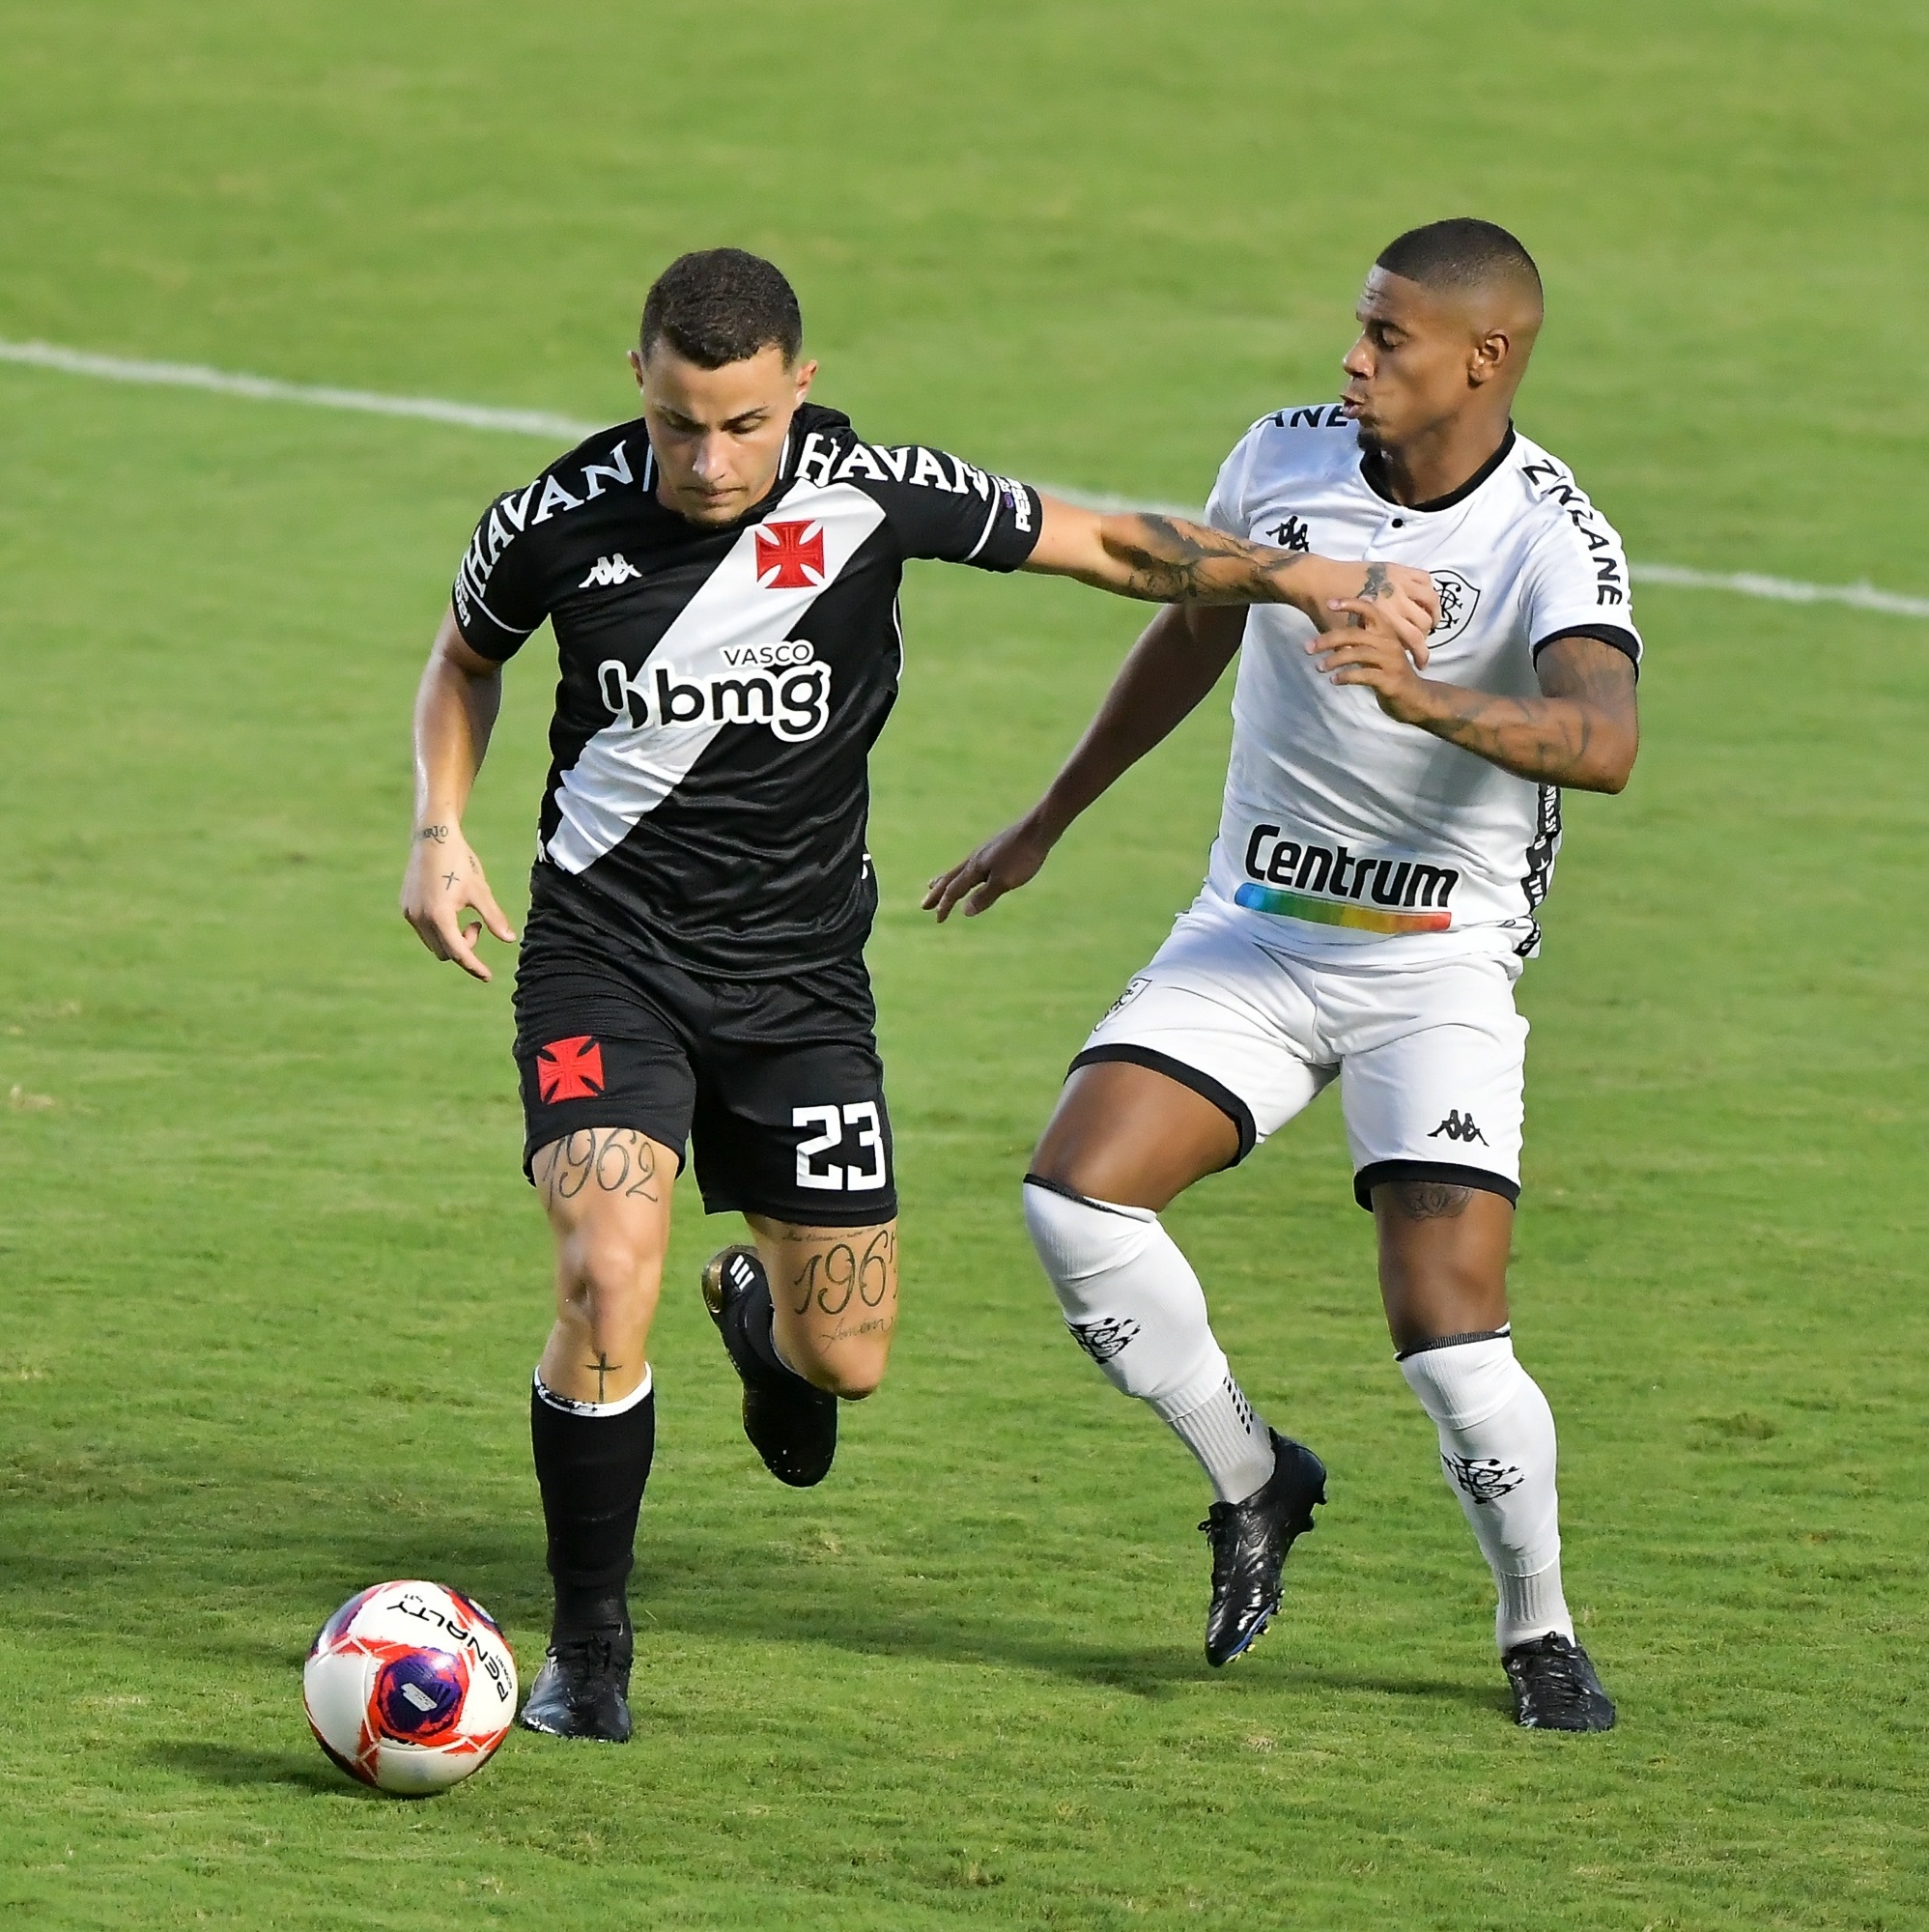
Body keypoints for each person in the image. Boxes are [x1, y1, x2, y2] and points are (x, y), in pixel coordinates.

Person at [399, 247, 1436, 1742]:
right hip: (603, 961)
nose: (709, 459)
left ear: (797, 390)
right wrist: (439, 828)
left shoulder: (873, 493)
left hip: (801, 986)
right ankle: (590, 1653)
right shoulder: (553, 519)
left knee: (850, 1361)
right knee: (599, 1273)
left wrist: (1319, 576)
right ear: (639, 380)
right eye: (683, 422)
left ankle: (761, 1320)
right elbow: (462, 661)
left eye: (744, 424)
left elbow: (1108, 546)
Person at [926, 218, 1638, 1731]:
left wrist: (1423, 694)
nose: (1353, 356)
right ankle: (1254, 1475)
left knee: (1447, 1342)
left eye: (1388, 337)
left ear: (1484, 357)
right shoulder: (1281, 457)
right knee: (1072, 1197)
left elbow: (1603, 743)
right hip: (1253, 929)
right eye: (1359, 326)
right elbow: (1190, 631)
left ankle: (1538, 1628)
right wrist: (1050, 816)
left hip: (1434, 966)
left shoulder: (1548, 534)